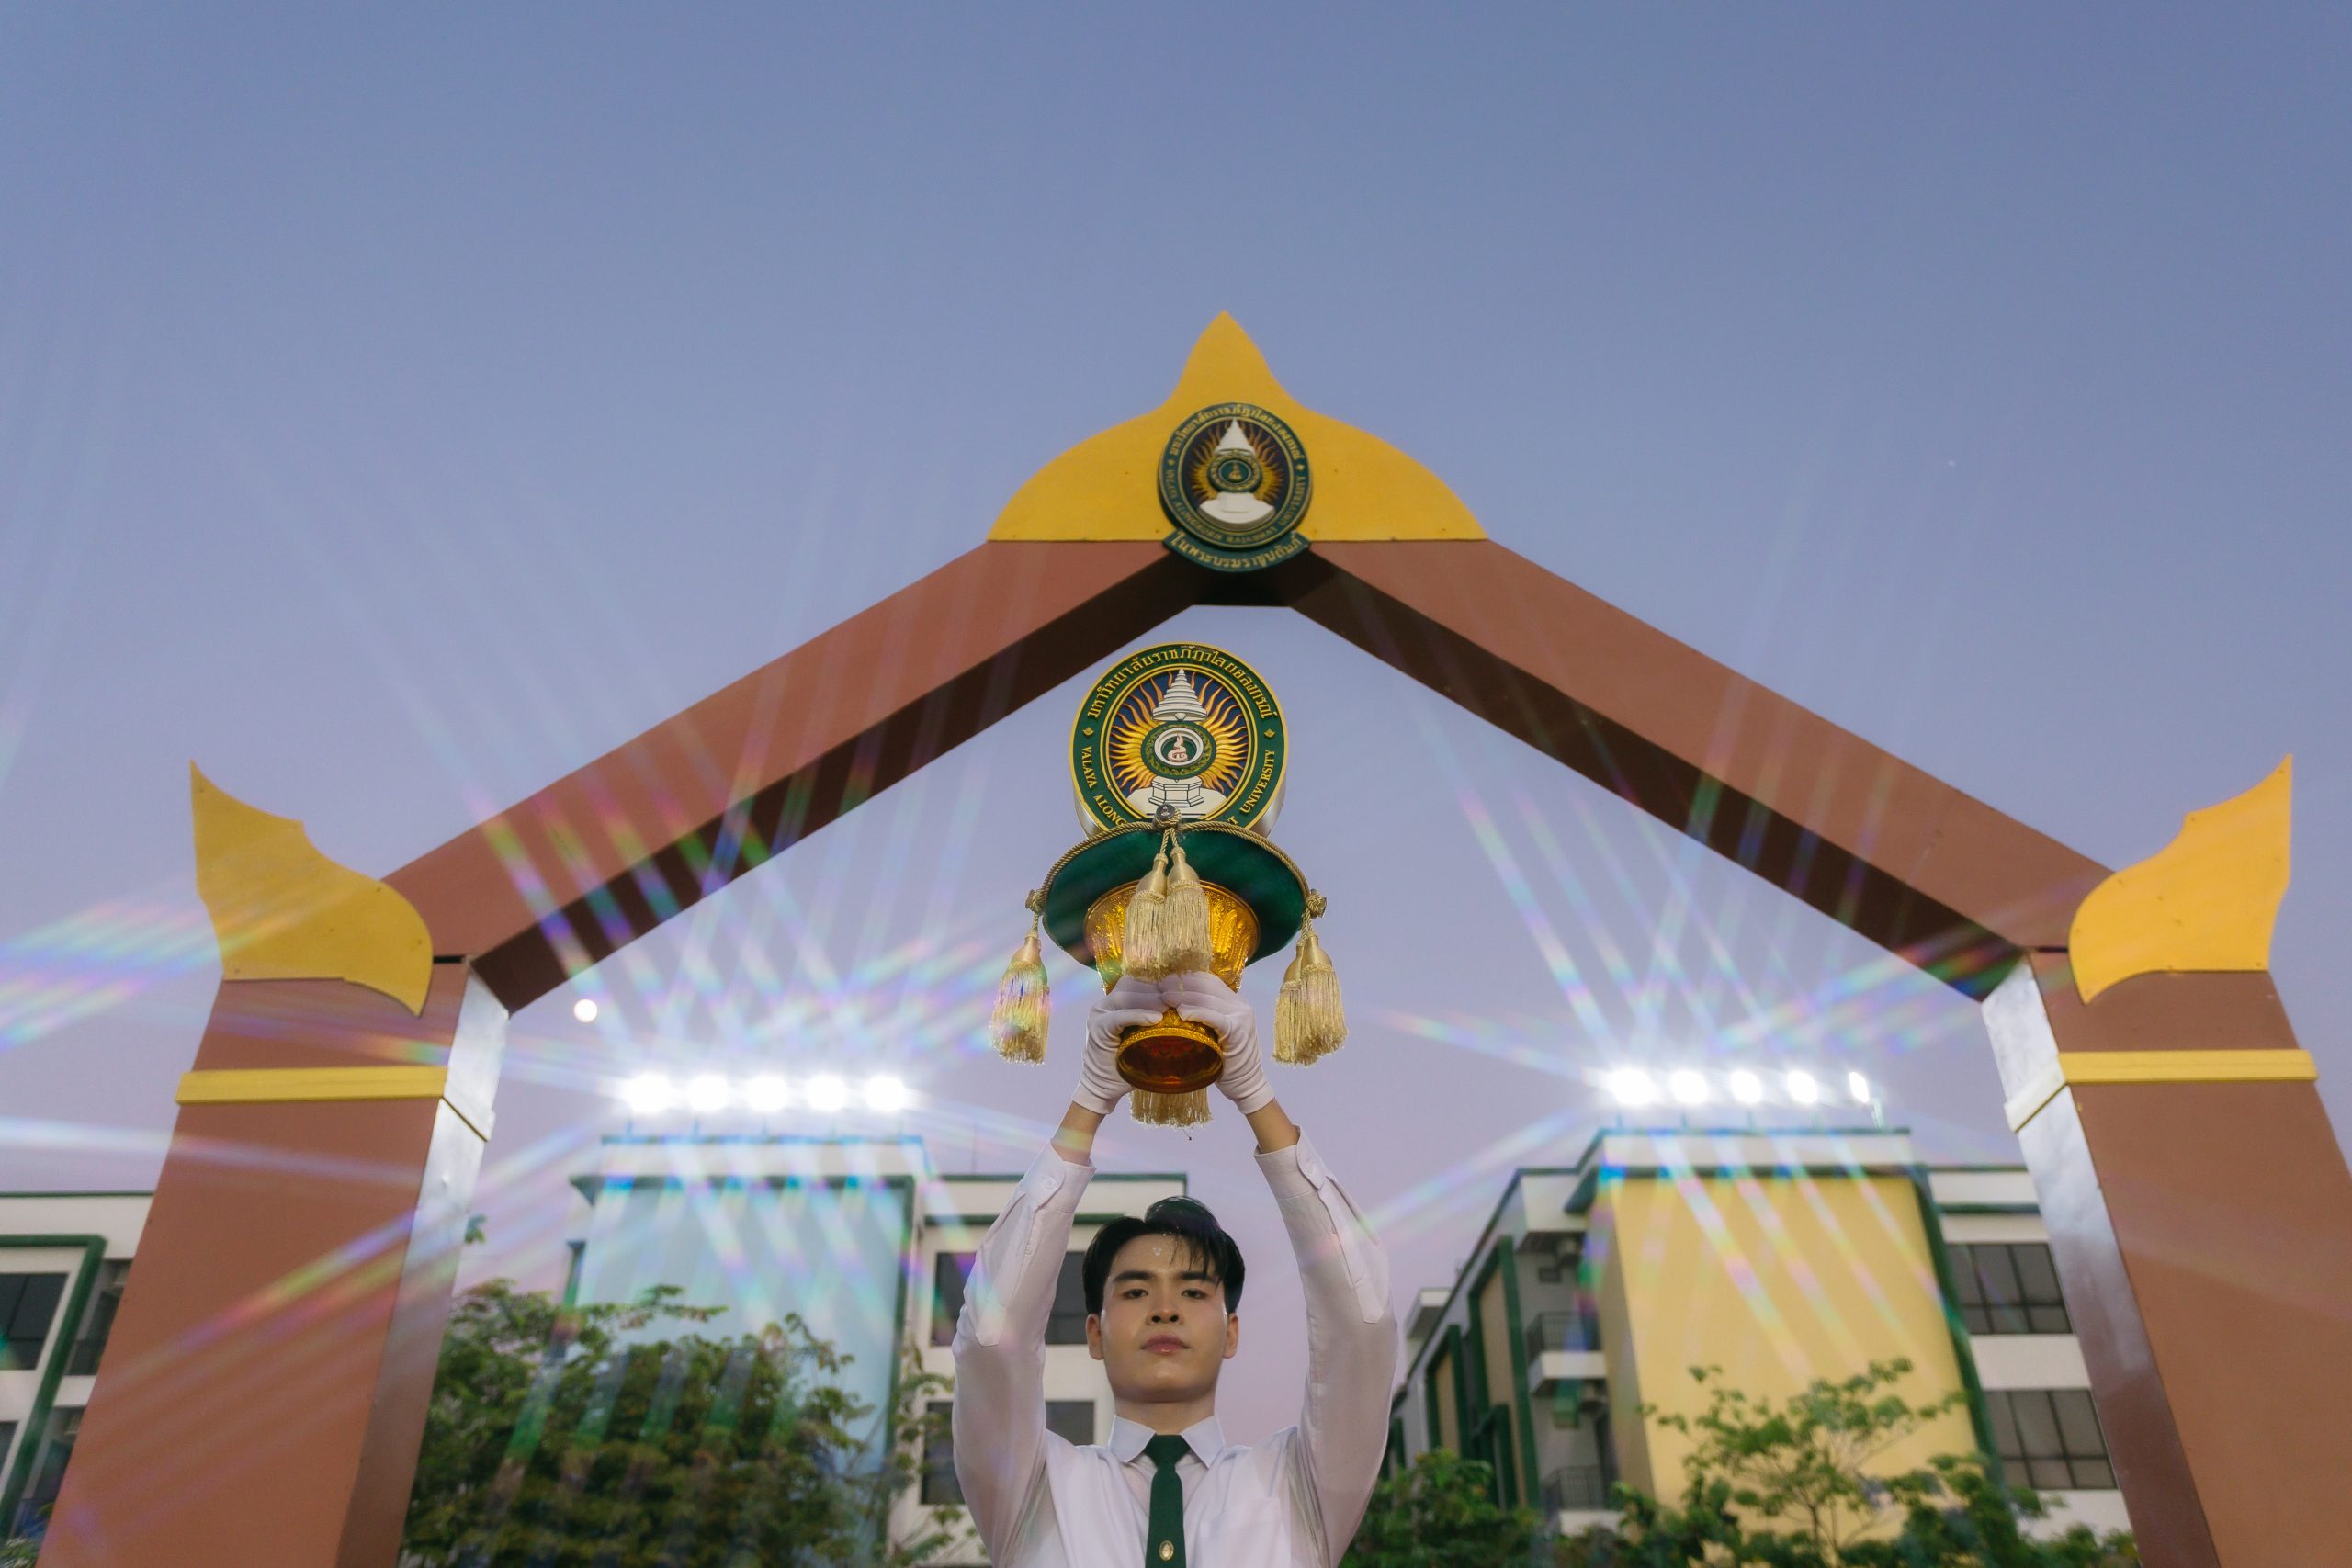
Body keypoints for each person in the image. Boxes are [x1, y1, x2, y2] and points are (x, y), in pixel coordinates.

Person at [952, 968, 1398, 1567]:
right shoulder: (1037, 1489)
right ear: (1094, 1333)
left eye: (1192, 1291)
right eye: (1135, 1291)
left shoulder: (1296, 1486)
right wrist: (1090, 1099)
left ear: (1231, 1330)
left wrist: (1255, 1094)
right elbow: (990, 1338)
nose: (1164, 1308)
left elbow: (1364, 1326)